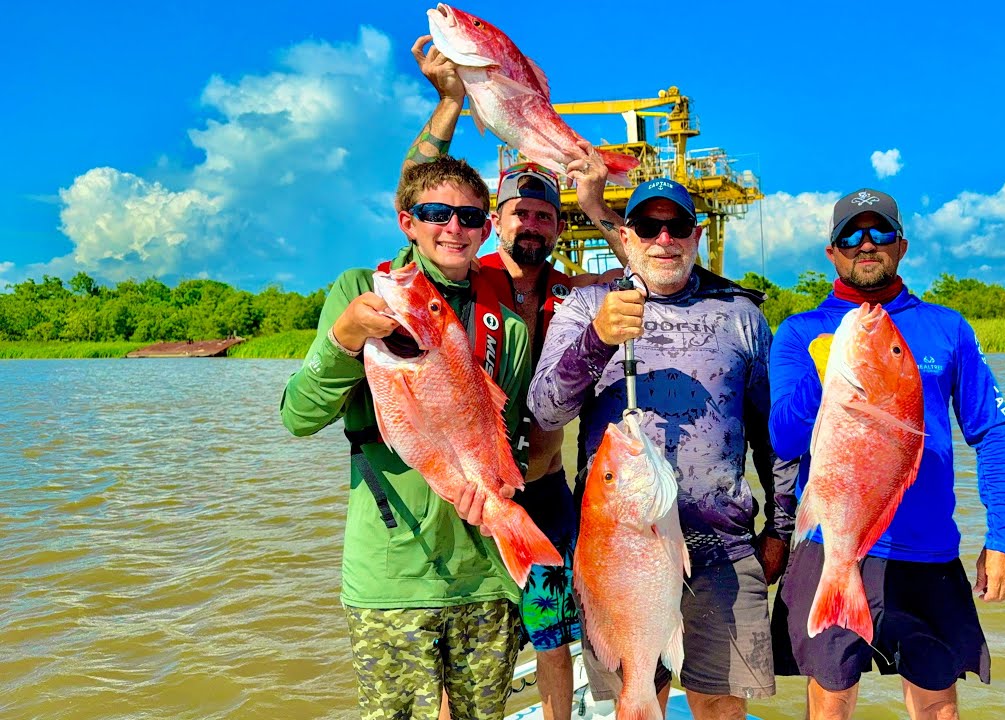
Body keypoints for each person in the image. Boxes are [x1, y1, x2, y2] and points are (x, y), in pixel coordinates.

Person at [403, 35, 626, 720]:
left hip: (546, 489)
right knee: (463, 645)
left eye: (544, 214)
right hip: (473, 494)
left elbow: (649, 274)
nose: (531, 223)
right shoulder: (464, 281)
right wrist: (448, 104)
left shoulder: (576, 293)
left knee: (552, 634)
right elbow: (416, 191)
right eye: (519, 212)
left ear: (557, 226)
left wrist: (597, 207)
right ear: (493, 222)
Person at [528, 176, 796, 720]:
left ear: (697, 235)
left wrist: (781, 528)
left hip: (725, 548)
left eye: (676, 226)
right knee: (638, 692)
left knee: (720, 703)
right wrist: (598, 339)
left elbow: (773, 438)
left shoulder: (740, 315)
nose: (664, 239)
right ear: (627, 236)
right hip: (617, 552)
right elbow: (545, 410)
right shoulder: (585, 307)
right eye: (649, 226)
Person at [279, 155, 533, 720]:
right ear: (407, 222)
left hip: (487, 578)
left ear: (487, 228)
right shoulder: (358, 293)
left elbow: (503, 439)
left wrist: (498, 498)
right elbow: (298, 417)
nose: (454, 228)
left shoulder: (509, 329)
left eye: (470, 217)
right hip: (390, 576)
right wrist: (344, 339)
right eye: (435, 213)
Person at [768, 188, 1005, 720]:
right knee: (831, 701)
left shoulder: (946, 327)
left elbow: (993, 432)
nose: (867, 244)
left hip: (926, 551)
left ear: (901, 245)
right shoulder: (799, 332)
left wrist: (1003, 537)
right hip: (832, 541)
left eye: (880, 232)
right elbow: (784, 440)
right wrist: (822, 382)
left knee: (938, 708)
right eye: (851, 235)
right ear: (832, 251)